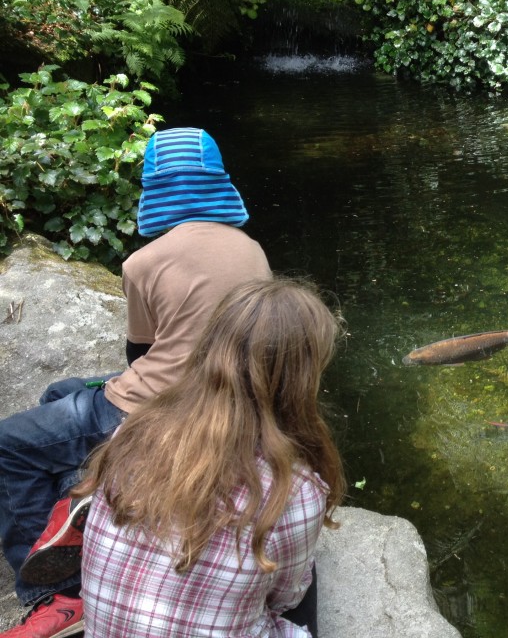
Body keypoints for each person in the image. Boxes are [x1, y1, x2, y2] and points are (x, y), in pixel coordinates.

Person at [0, 128, 272, 638]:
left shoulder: (143, 262)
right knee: (62, 393)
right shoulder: (251, 249)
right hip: (227, 399)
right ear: (218, 184)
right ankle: (80, 494)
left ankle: (55, 595)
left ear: (154, 190)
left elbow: (139, 357)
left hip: (156, 406)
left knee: (9, 443)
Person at [77, 278, 345, 637]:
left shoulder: (133, 431)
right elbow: (284, 599)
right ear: (301, 380)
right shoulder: (296, 490)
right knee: (306, 578)